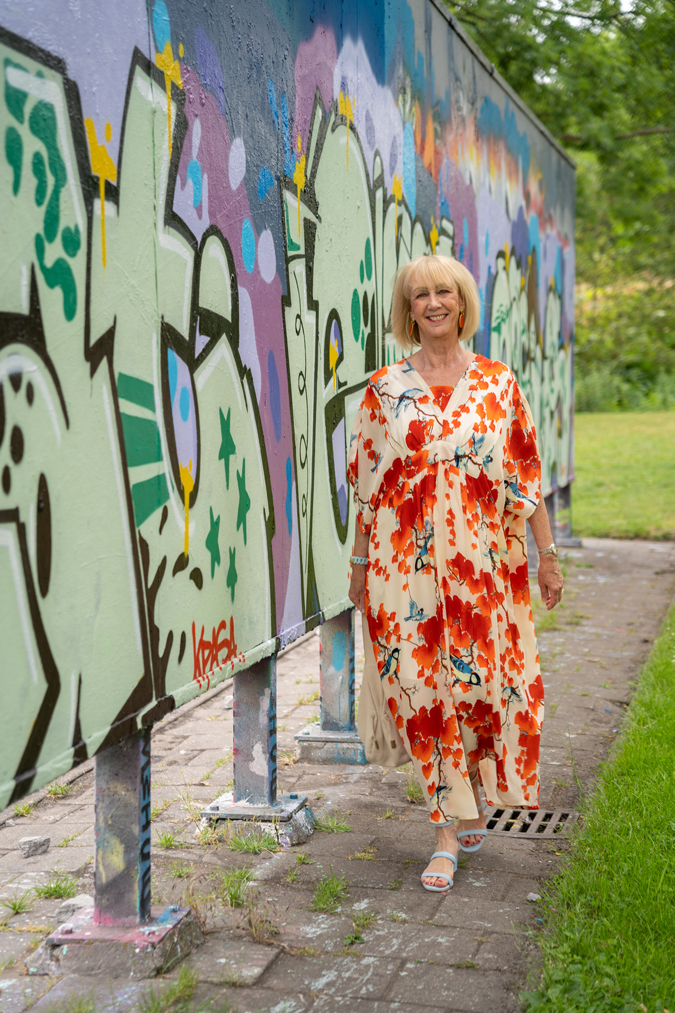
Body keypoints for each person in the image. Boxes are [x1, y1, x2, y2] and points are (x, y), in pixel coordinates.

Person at [347, 254, 564, 891]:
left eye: (443, 292)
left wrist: (546, 559)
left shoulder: (498, 384)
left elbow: (525, 478)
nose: (433, 303)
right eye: (419, 296)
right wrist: (359, 566)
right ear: (407, 311)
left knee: (475, 688)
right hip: (402, 569)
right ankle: (445, 831)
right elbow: (364, 485)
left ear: (462, 303)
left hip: (482, 569)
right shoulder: (384, 390)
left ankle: (468, 797)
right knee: (420, 691)